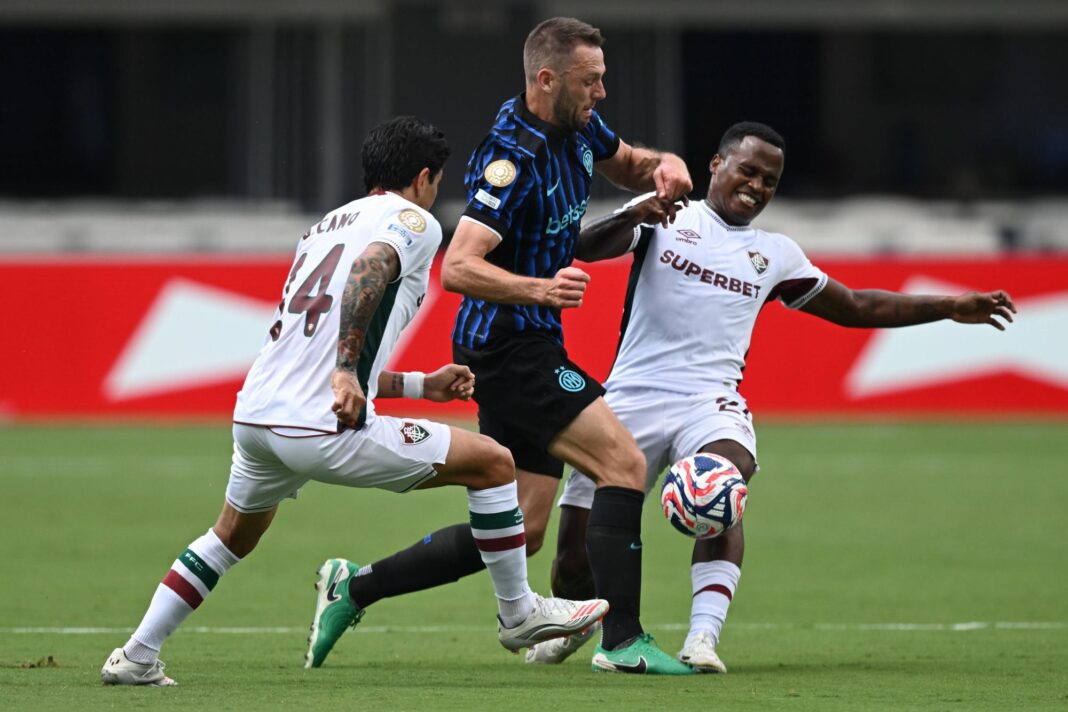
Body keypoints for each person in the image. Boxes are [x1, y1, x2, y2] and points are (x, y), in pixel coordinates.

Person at [99, 116, 608, 687]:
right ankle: (518, 613)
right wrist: (346, 372)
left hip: (258, 417)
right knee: (494, 464)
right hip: (320, 424)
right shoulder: (412, 219)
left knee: (230, 536)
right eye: (437, 182)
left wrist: (419, 385)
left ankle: (137, 654)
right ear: (422, 178)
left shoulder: (322, 228)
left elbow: (319, 344)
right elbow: (373, 269)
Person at [522, 120, 1018, 672]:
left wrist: (947, 306)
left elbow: (856, 307)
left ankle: (702, 638)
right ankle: (577, 620)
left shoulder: (774, 254)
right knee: (572, 559)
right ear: (717, 164)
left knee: (721, 486)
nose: (757, 186)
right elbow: (583, 248)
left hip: (709, 402)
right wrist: (635, 212)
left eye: (770, 181)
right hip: (629, 398)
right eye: (749, 170)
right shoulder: (670, 213)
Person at [318, 17, 697, 675]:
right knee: (623, 463)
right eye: (591, 80)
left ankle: (355, 586)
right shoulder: (509, 159)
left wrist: (667, 169)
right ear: (547, 79)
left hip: (520, 344)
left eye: (603, 78)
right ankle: (624, 642)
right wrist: (540, 291)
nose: (602, 92)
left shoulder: (577, 128)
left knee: (520, 529)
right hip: (510, 348)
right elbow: (459, 267)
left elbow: (631, 163)